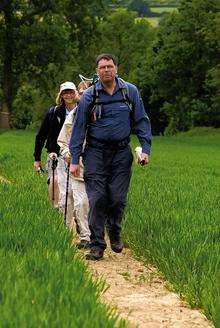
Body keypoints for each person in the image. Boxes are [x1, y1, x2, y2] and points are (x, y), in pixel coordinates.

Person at [69, 54, 152, 260]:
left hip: (121, 153)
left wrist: (145, 149)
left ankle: (114, 230)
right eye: (102, 67)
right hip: (96, 153)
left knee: (117, 198)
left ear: (116, 68)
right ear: (97, 71)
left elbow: (141, 120)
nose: (106, 70)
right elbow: (79, 128)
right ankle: (97, 244)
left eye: (110, 66)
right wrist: (74, 160)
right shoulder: (89, 96)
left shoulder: (129, 92)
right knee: (97, 198)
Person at [33, 81, 79, 226]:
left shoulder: (82, 111)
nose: (68, 95)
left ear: (75, 93)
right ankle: (58, 212)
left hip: (78, 156)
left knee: (75, 188)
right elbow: (41, 135)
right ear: (61, 95)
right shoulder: (53, 113)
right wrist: (37, 158)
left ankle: (78, 219)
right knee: (55, 181)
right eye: (65, 92)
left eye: (71, 91)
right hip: (56, 154)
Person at [57, 80, 92, 248]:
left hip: (99, 166)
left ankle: (97, 234)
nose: (86, 97)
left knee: (97, 203)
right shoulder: (74, 115)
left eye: (89, 94)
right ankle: (86, 237)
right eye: (83, 94)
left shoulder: (103, 113)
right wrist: (67, 154)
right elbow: (62, 141)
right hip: (77, 166)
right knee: (80, 202)